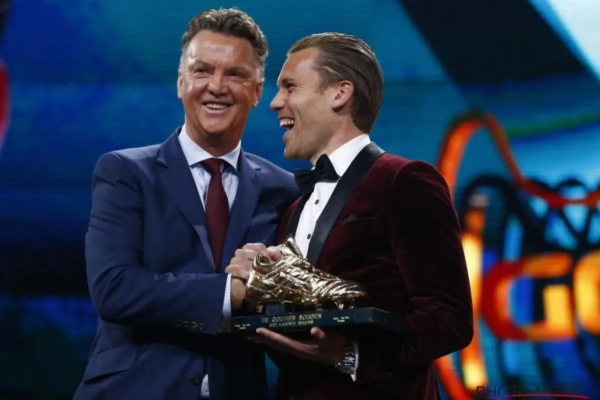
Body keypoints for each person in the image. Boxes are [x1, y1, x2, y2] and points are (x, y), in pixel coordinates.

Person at [73, 8, 299, 400]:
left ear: (257, 91)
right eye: (202, 71)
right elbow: (114, 288)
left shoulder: (283, 189)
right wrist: (229, 293)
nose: (217, 86)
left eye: (235, 74)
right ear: (181, 83)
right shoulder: (125, 173)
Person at [235, 33, 474, 399]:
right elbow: (301, 342)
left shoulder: (404, 181)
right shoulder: (294, 208)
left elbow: (449, 318)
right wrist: (259, 288)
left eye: (290, 87)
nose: (274, 102)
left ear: (340, 93)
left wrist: (352, 355)